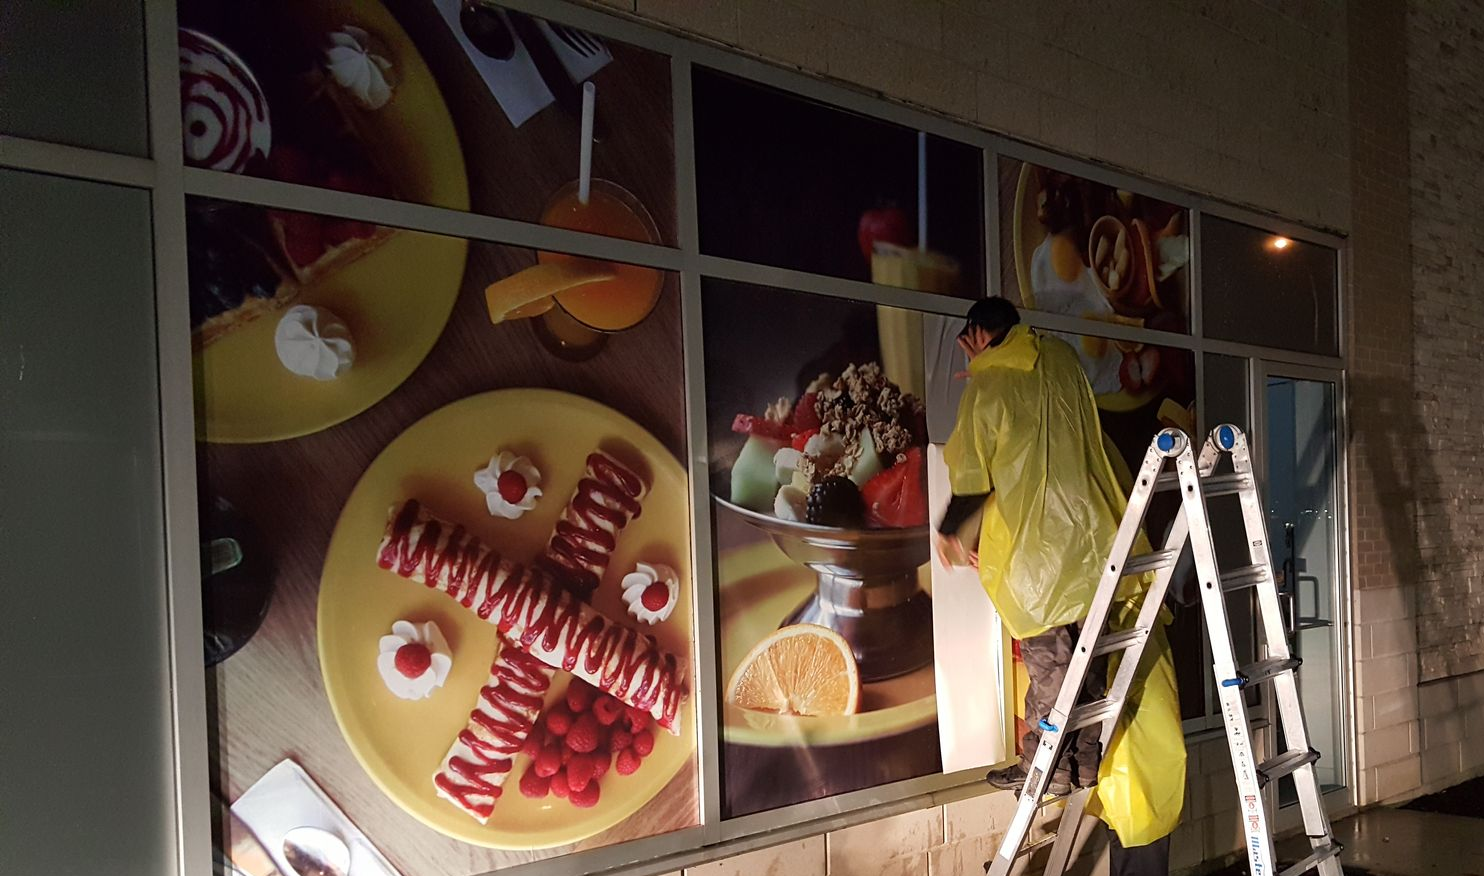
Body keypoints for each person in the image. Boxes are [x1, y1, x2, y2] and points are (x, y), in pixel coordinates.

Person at [935, 298, 1174, 874]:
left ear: (977, 334)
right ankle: (1082, 764)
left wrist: (948, 532)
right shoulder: (1063, 360)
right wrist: (990, 359)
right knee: (1084, 675)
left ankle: (1046, 771)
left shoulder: (988, 388)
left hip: (1037, 566)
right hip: (1095, 553)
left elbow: (972, 476)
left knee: (1050, 673)